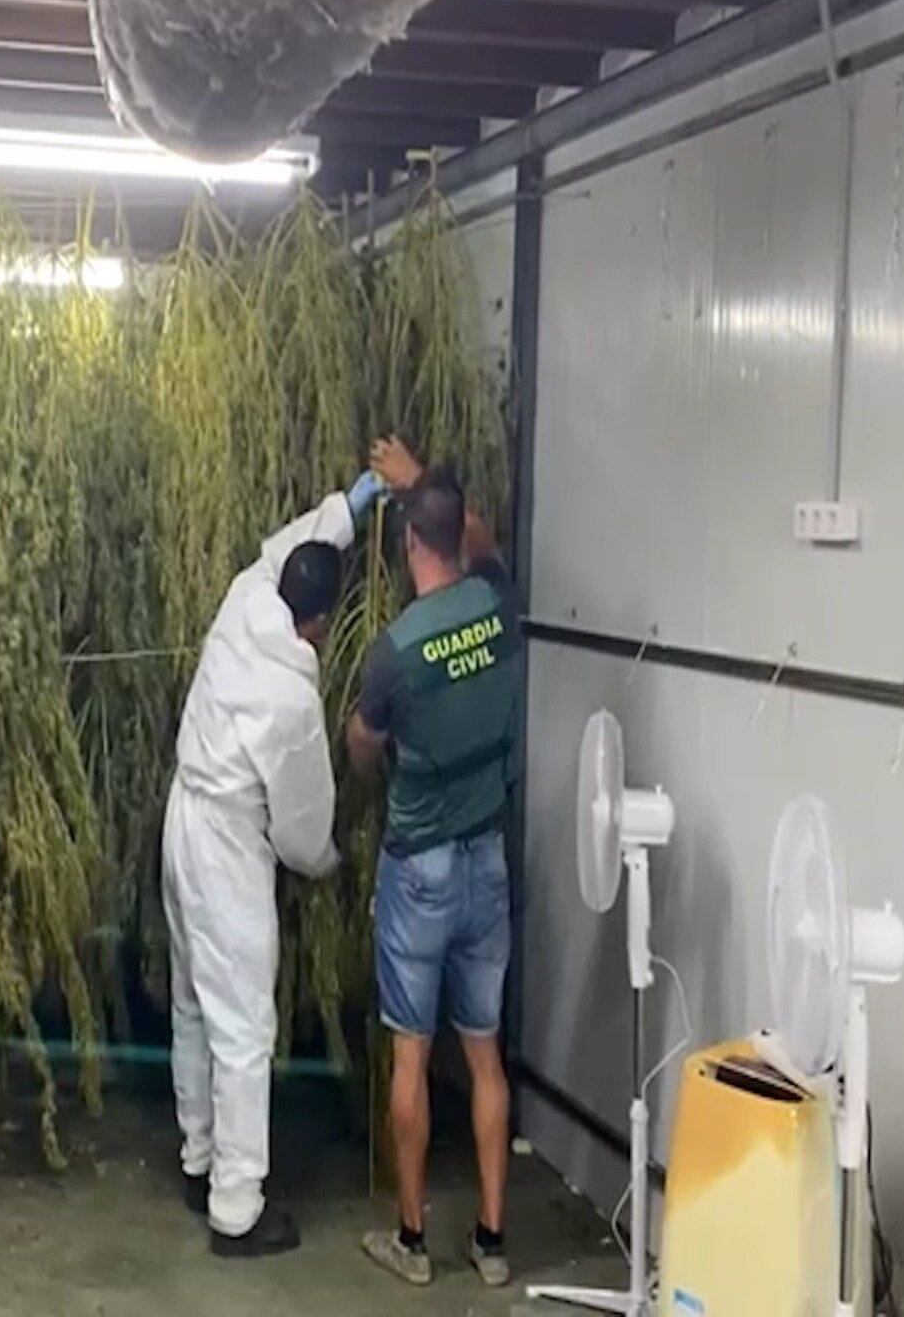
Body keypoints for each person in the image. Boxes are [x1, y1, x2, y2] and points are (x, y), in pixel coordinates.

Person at [164, 466, 387, 1258]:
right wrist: (329, 861)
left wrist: (350, 509)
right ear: (320, 623)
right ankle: (237, 1208)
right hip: (227, 845)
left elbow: (283, 550)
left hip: (182, 816)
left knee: (194, 999)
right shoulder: (291, 700)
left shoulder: (246, 598)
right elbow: (297, 829)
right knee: (244, 1027)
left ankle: (199, 1158)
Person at [347, 441, 524, 1289]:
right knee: (485, 1056)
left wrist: (362, 734)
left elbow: (363, 748)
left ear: (409, 545)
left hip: (418, 871)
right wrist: (422, 481)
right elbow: (481, 540)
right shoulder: (498, 603)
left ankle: (412, 1244)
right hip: (488, 861)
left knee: (411, 1055)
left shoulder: (394, 651)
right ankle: (493, 1244)